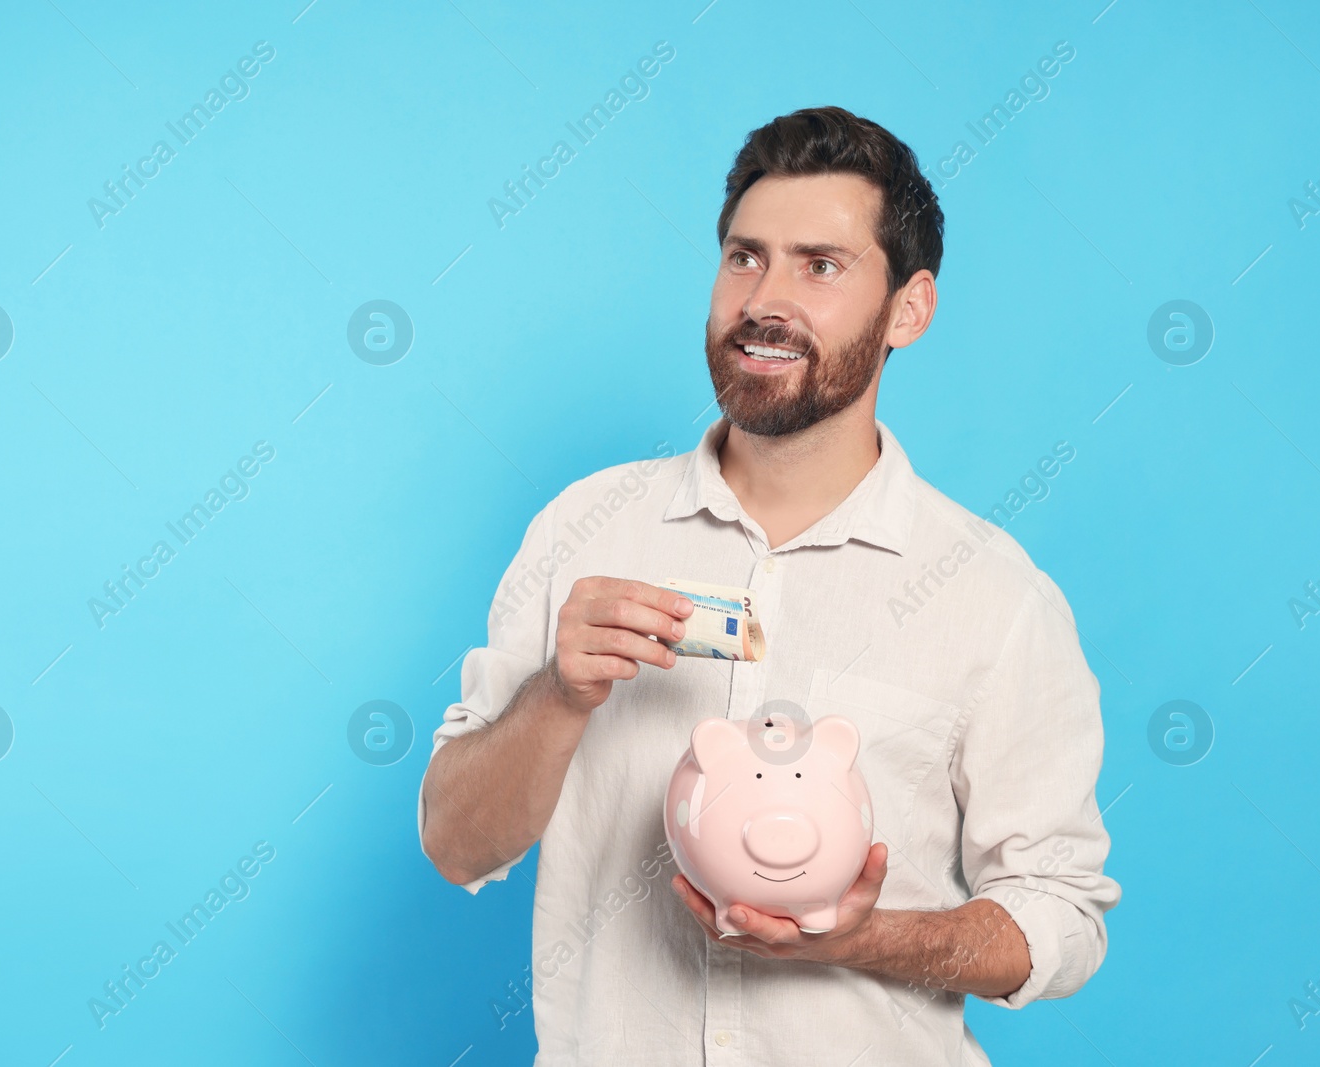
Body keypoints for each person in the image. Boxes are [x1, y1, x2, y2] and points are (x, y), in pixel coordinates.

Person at [418, 105, 1119, 1065]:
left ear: (908, 310)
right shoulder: (582, 530)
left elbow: (1061, 915)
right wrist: (557, 695)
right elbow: (457, 844)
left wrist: (862, 938)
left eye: (819, 265)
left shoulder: (993, 596)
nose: (764, 299)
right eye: (745, 256)